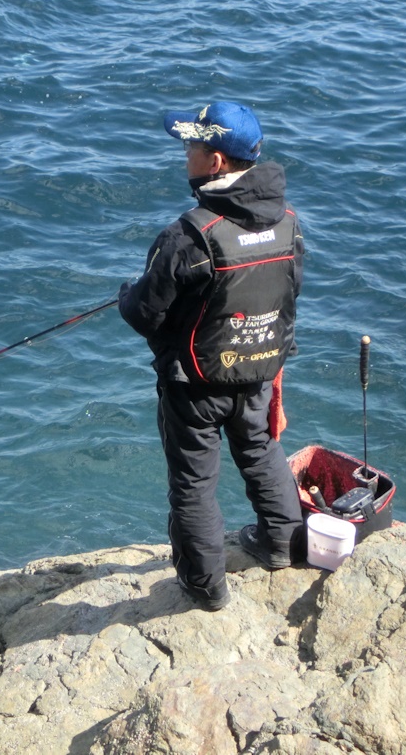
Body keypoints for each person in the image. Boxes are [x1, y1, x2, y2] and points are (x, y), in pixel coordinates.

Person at [118, 101, 305, 611]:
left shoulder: (187, 236)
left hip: (196, 386)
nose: (186, 154)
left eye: (192, 147)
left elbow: (145, 314)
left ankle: (205, 586)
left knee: (194, 482)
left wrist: (125, 294)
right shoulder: (289, 223)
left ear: (216, 161)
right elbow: (287, 295)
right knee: (261, 450)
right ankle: (282, 543)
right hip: (260, 369)